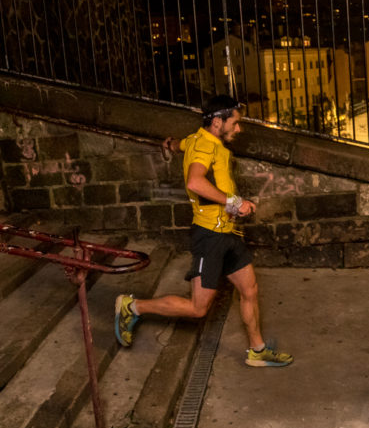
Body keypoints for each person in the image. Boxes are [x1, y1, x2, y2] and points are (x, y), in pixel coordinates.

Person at [114, 95, 293, 367]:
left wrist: (170, 145)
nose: (238, 129)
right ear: (217, 122)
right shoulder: (204, 148)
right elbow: (195, 182)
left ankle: (257, 350)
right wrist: (234, 202)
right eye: (235, 123)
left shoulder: (197, 140)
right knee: (198, 308)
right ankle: (132, 306)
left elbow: (181, 144)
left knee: (250, 289)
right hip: (210, 236)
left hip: (229, 232)